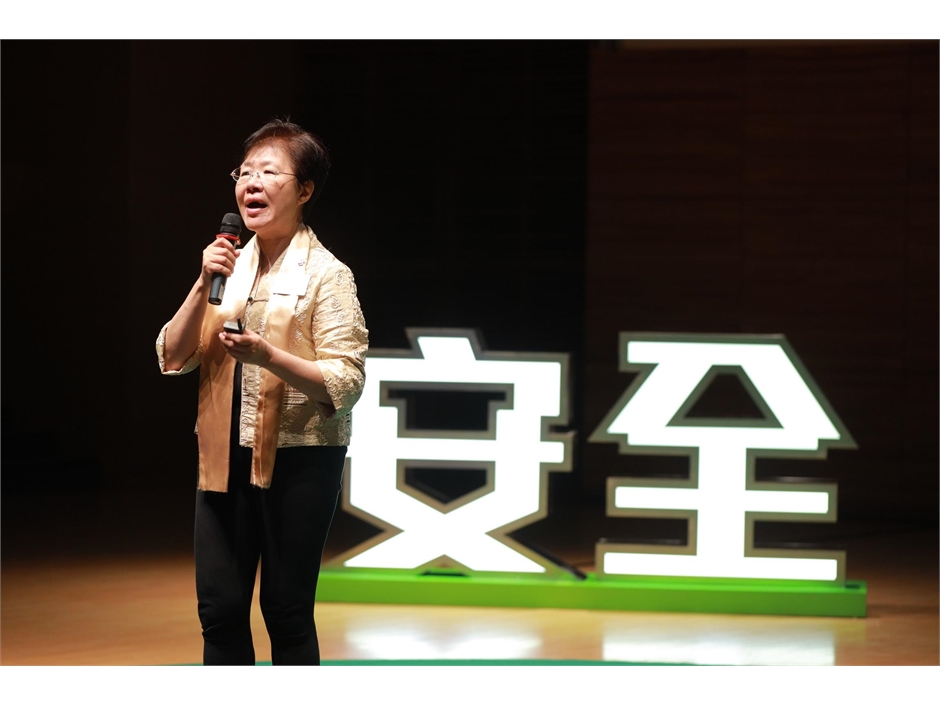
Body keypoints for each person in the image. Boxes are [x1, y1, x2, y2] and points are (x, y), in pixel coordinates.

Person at [155, 119, 368, 665]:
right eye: (245, 172)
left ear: (304, 190)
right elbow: (172, 356)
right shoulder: (226, 266)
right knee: (219, 611)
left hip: (300, 459)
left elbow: (346, 381)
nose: (252, 183)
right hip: (222, 455)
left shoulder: (328, 275)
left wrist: (267, 356)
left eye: (270, 172)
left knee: (286, 611)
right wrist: (203, 281)